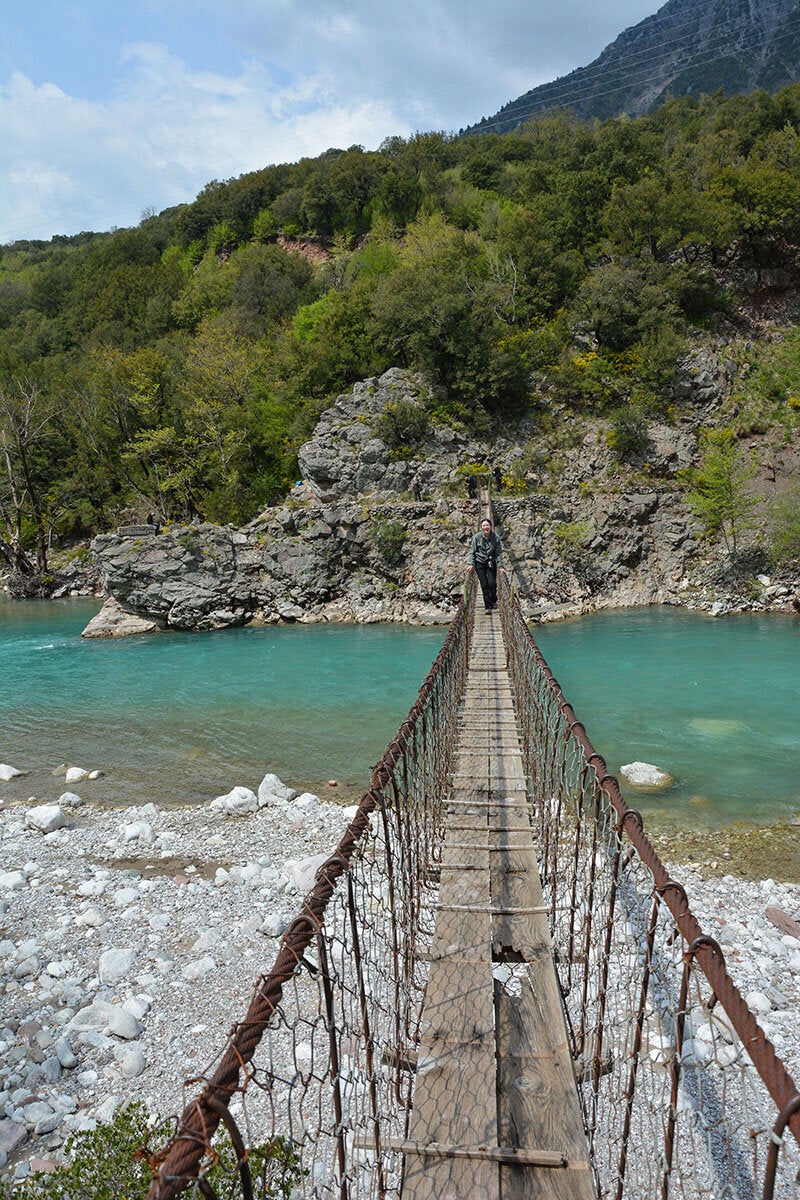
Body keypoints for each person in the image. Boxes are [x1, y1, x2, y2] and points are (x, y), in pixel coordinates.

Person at [467, 518, 505, 613]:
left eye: (487, 525)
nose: (485, 527)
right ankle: (488, 607)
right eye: (483, 526)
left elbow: (498, 553)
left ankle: (494, 600)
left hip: (491, 562)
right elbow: (472, 551)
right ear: (481, 527)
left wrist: (501, 566)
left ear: (490, 526)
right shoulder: (477, 537)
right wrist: (471, 563)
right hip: (479, 563)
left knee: (492, 584)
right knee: (484, 585)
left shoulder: (495, 538)